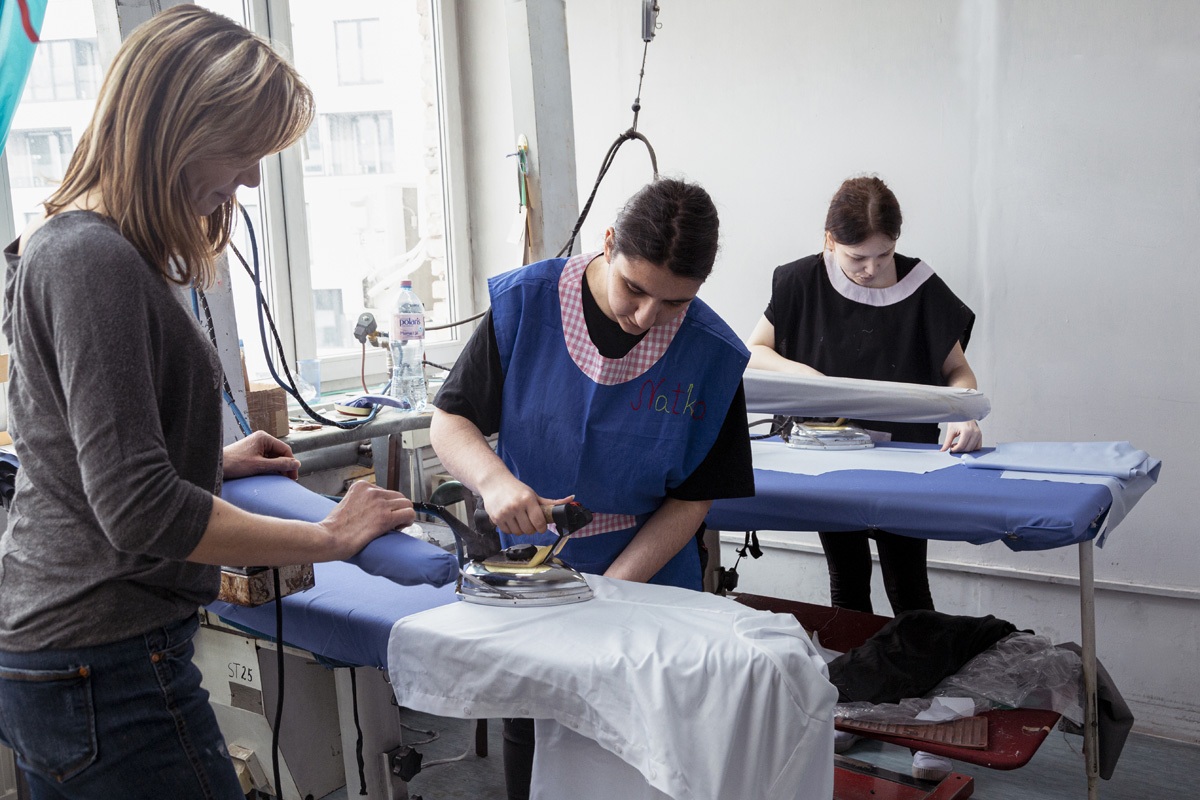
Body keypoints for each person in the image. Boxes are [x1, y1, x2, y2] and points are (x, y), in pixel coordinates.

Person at [0, 8, 416, 799]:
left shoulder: (74, 246)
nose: (252, 179)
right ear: (180, 128)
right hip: (102, 659)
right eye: (245, 150)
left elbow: (74, 449)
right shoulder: (92, 259)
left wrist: (210, 461)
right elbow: (138, 511)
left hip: (67, 658)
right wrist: (329, 537)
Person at [430, 177, 754, 800]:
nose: (646, 317)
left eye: (675, 303)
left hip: (649, 579)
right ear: (608, 243)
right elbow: (450, 420)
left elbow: (693, 498)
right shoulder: (527, 305)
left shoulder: (710, 355)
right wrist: (494, 481)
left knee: (645, 740)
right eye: (634, 288)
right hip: (535, 573)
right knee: (536, 719)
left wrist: (614, 591)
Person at [746, 175, 981, 780]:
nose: (873, 269)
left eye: (884, 254)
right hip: (829, 462)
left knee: (909, 592)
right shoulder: (799, 281)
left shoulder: (920, 286)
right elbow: (757, 350)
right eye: (858, 258)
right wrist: (805, 377)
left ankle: (923, 724)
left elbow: (958, 373)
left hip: (904, 467)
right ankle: (853, 708)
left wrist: (964, 412)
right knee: (847, 588)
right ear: (829, 240)